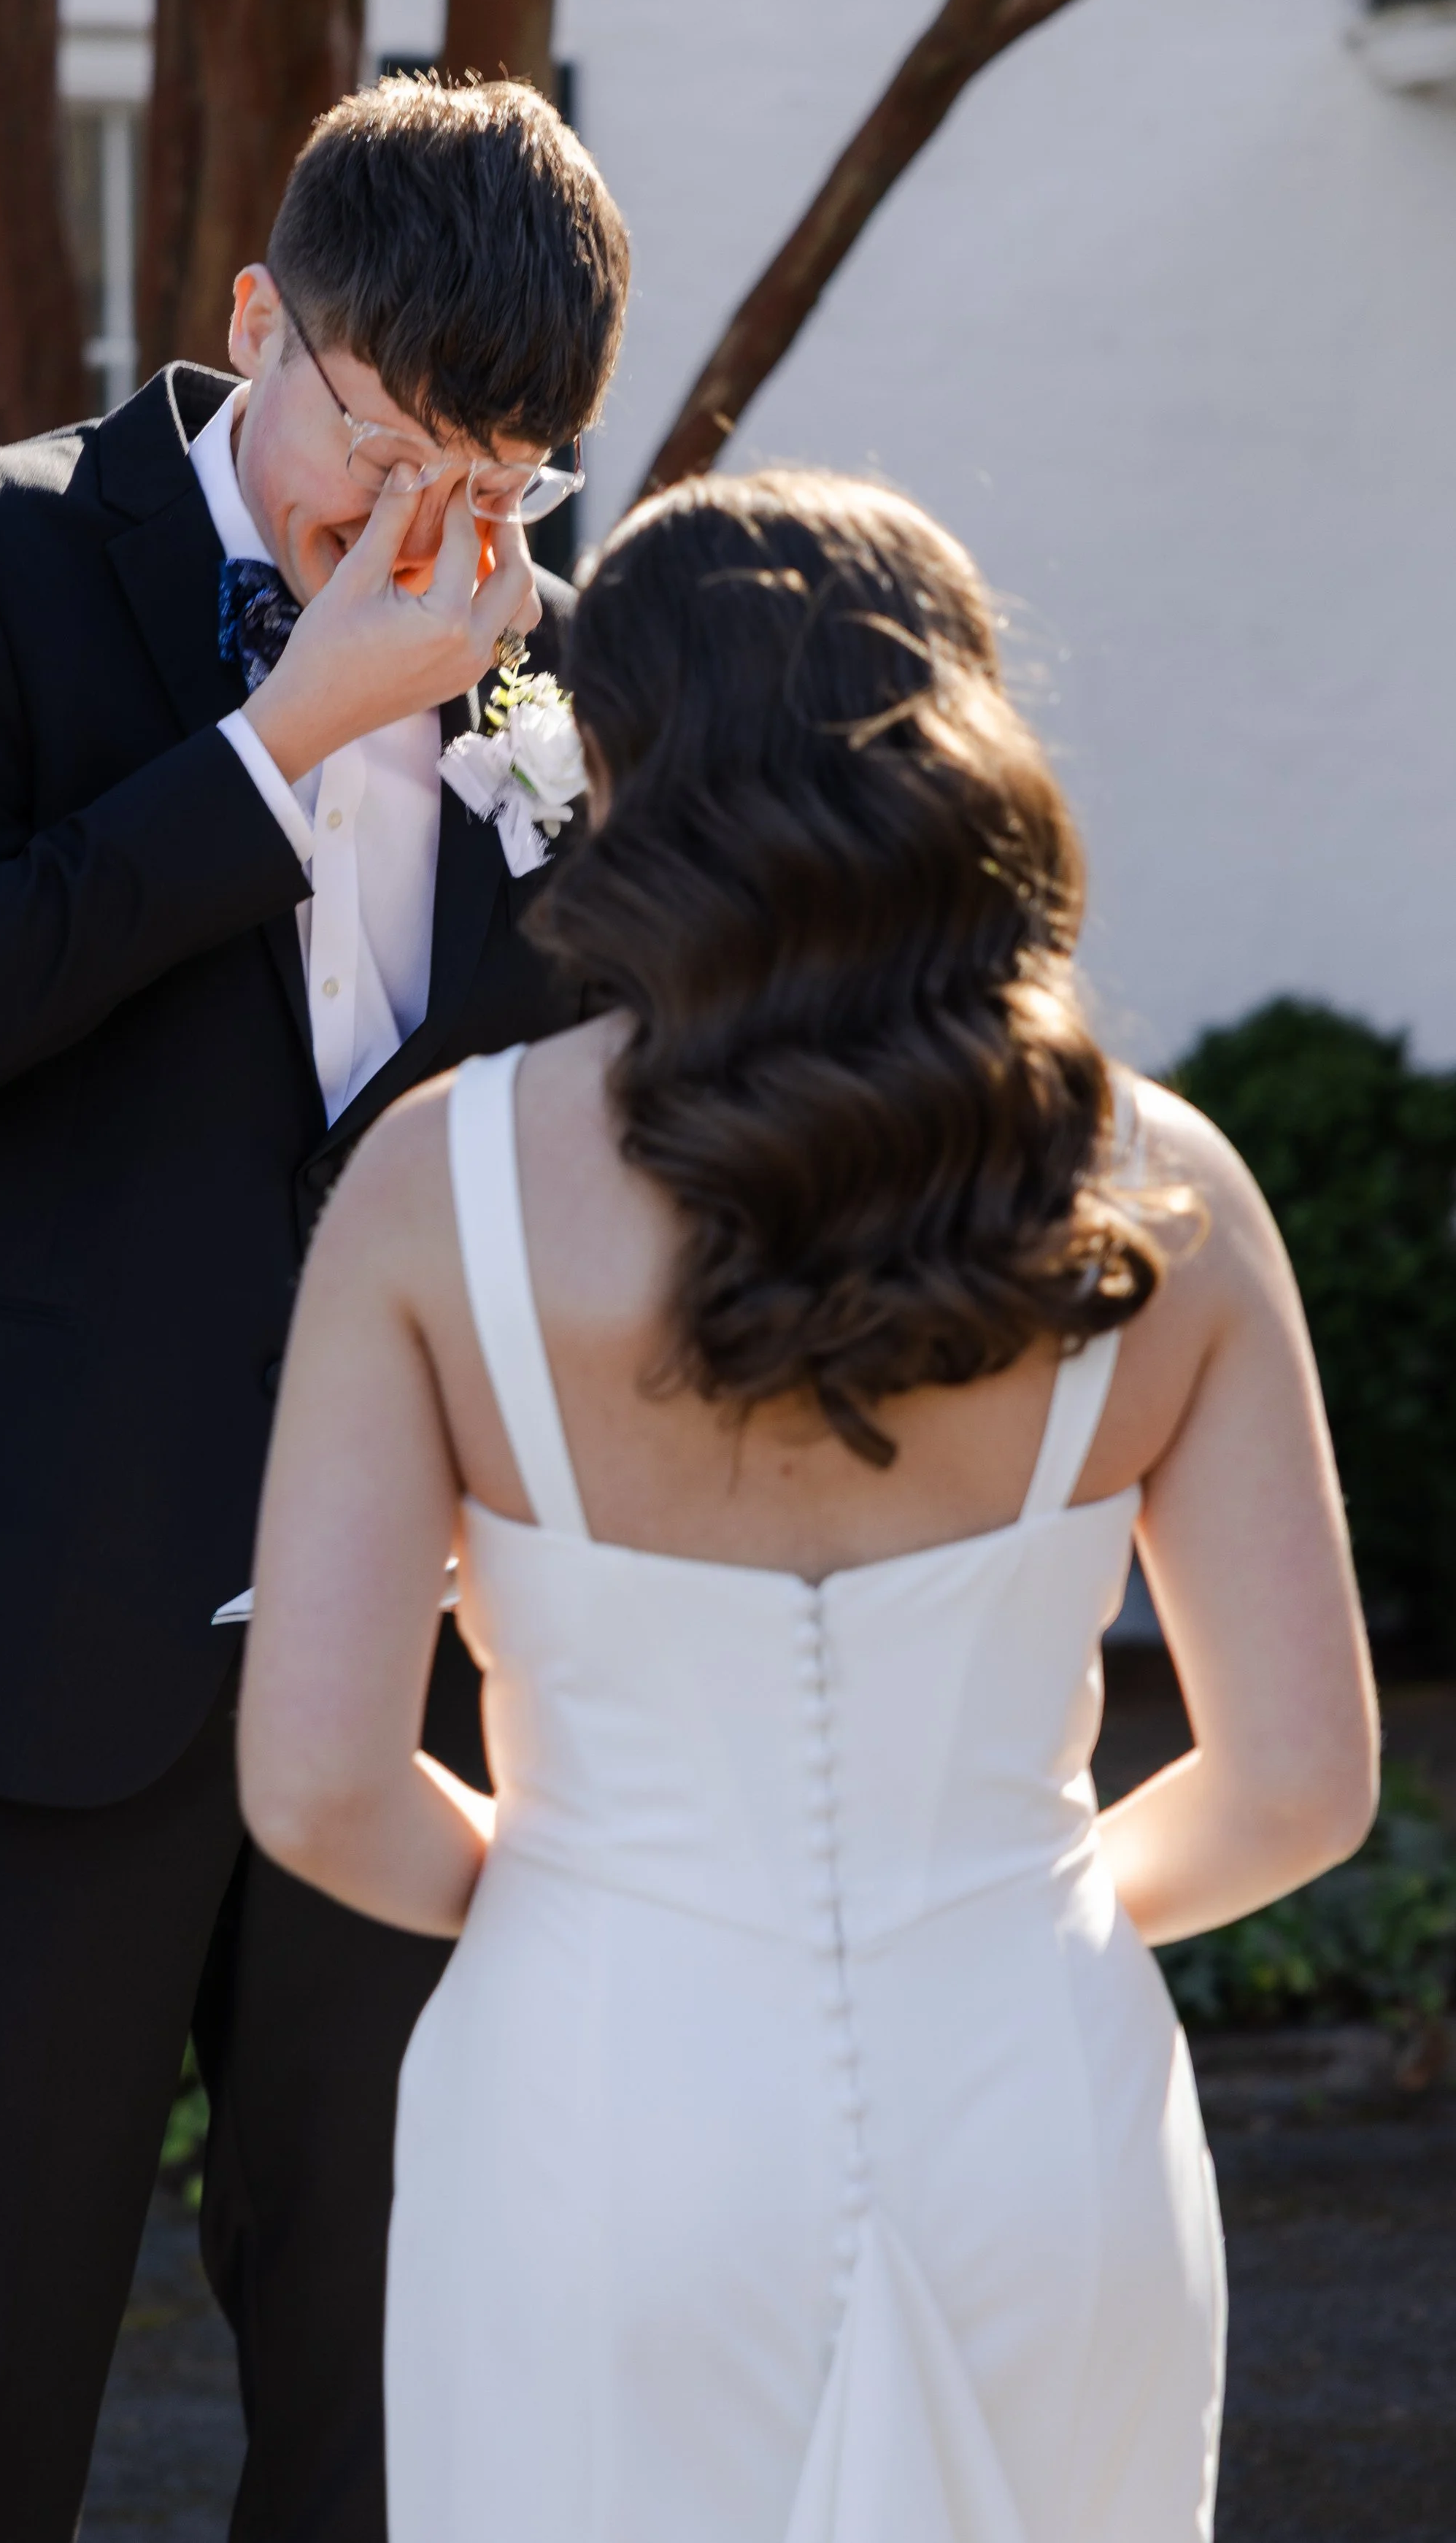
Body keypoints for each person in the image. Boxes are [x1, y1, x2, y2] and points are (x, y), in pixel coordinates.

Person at [239, 469, 1379, 2543]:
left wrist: (589, 1899)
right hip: (1037, 2108)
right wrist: (987, 1924)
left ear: (616, 760)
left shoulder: (437, 1186)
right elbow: (1297, 1779)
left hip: (594, 2103)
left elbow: (317, 1779)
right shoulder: (1171, 1190)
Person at [0, 76, 629, 2543]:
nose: (424, 537)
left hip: (436, 1688)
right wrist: (287, 742)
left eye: (501, 486)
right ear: (260, 321)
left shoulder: (556, 667)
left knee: (400, 2384)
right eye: (372, 450)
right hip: (21, 1643)